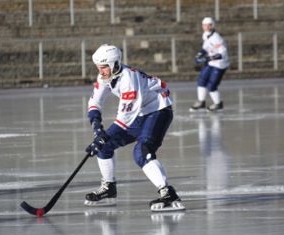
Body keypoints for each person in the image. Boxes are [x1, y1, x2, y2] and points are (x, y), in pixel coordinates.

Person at [84, 44, 185, 212]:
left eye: (103, 67)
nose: (101, 71)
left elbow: (124, 120)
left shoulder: (128, 80)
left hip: (158, 110)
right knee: (105, 146)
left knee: (142, 151)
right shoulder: (105, 77)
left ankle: (168, 193)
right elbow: (95, 102)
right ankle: (109, 187)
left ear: (114, 64)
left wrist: (102, 137)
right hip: (140, 113)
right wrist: (97, 128)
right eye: (98, 67)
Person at [190, 17, 230, 112]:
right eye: (204, 25)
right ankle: (201, 102)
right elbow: (205, 48)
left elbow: (222, 54)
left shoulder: (217, 38)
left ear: (212, 25)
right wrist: (199, 55)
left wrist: (208, 58)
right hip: (211, 62)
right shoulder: (206, 35)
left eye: (208, 25)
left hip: (220, 64)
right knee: (201, 80)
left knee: (212, 85)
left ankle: (218, 104)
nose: (206, 27)